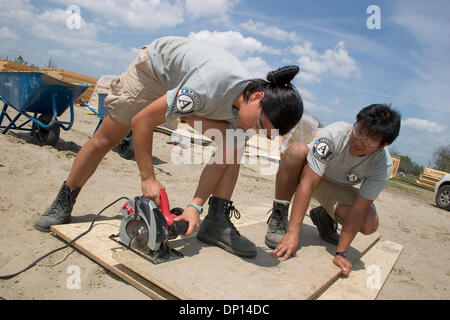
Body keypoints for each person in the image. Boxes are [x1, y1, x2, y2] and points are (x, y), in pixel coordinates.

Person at [34, 36, 304, 259]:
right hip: (155, 70)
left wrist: (194, 207)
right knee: (108, 137)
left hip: (192, 93)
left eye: (263, 134)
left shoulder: (246, 114)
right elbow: (143, 122)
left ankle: (215, 221)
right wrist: (148, 178)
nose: (254, 132)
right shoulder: (208, 87)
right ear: (256, 97)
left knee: (232, 150)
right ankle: (64, 199)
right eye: (258, 125)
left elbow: (221, 160)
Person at [265, 104, 401, 274]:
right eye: (358, 131)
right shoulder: (333, 135)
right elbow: (307, 183)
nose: (360, 141)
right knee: (295, 152)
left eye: (370, 140)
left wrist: (341, 253)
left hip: (337, 187)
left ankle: (324, 216)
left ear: (382, 144)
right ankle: (279, 215)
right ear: (355, 122)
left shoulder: (382, 164)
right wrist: (293, 233)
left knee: (369, 222)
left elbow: (359, 209)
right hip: (309, 174)